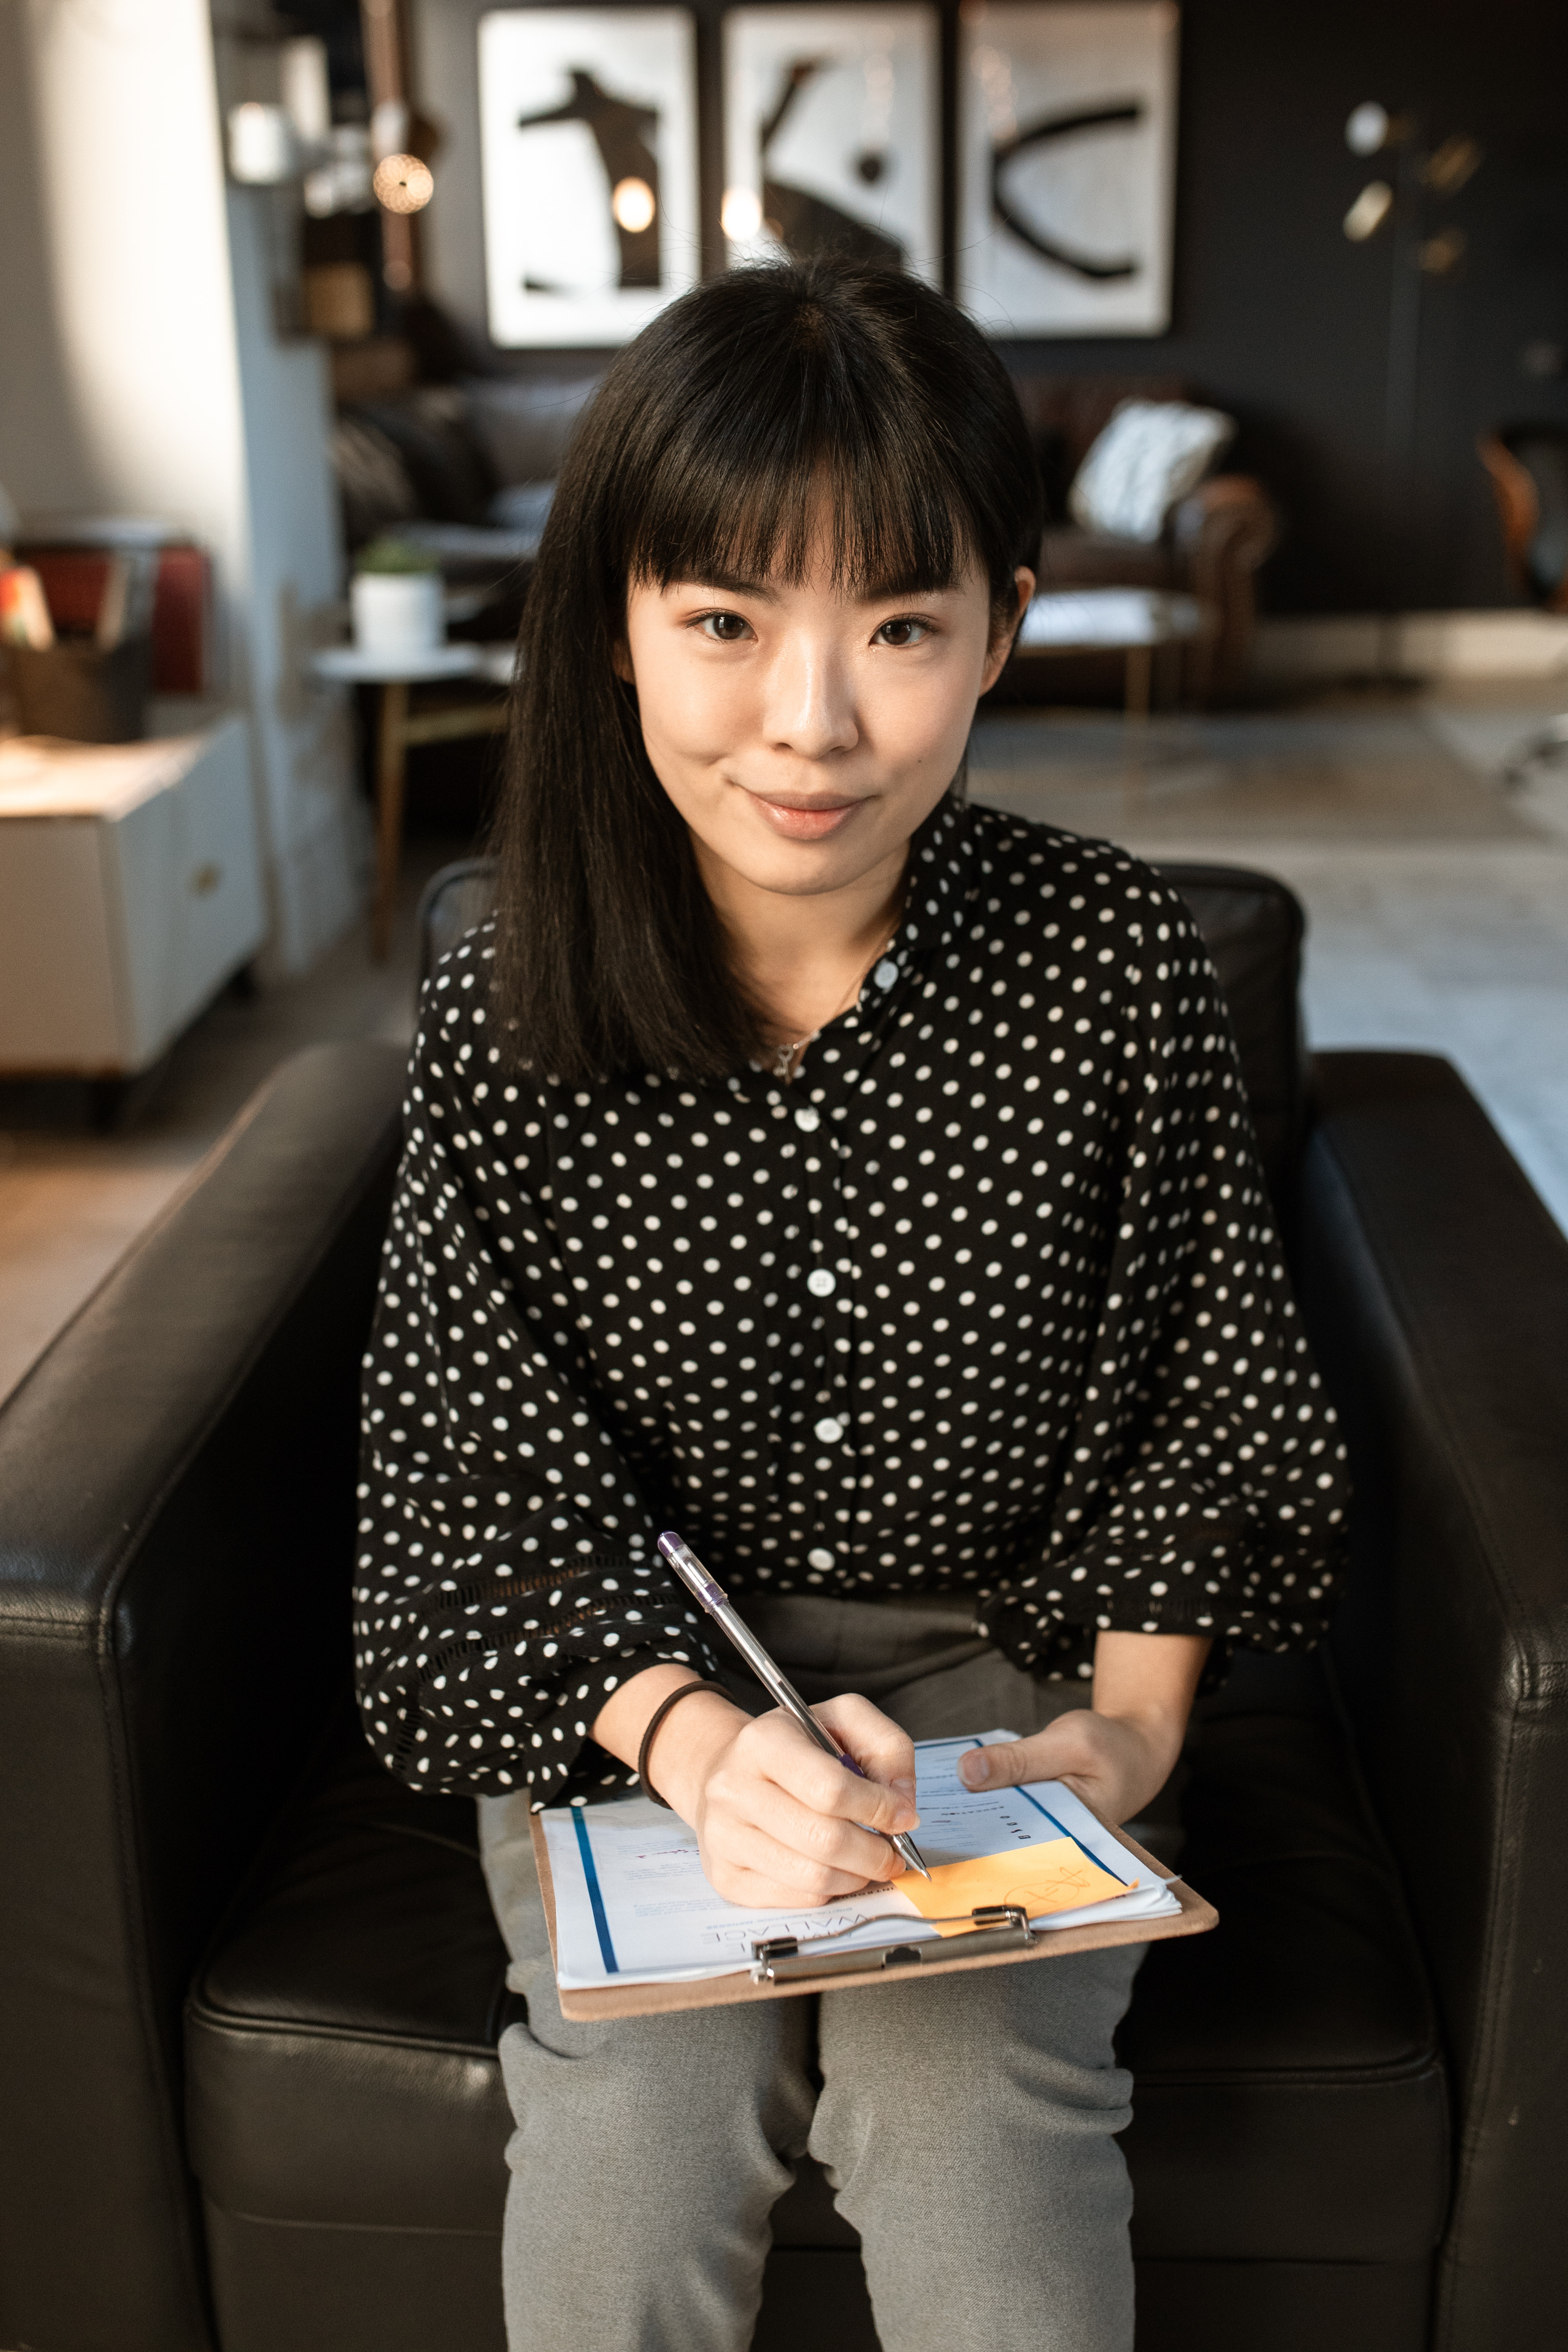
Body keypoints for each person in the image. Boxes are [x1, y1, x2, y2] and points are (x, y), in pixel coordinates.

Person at [354, 258, 1348, 2352]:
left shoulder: (1113, 967)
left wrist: (1124, 1738)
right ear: (615, 621)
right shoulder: (504, 990)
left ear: (1003, 622)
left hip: (1006, 1678)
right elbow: (469, 1491)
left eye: (900, 628)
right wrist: (698, 1745)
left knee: (974, 2109)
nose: (813, 724)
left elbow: (1205, 1403)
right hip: (624, 1697)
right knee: (636, 2122)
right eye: (725, 621)